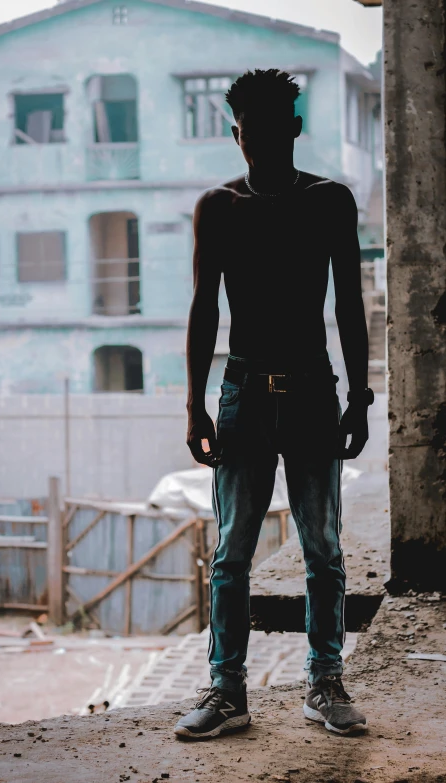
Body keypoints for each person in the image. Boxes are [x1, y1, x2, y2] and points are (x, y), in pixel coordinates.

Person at [174, 68, 374, 740]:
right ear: (238, 133)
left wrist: (361, 396)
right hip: (243, 391)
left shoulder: (329, 202)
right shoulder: (220, 207)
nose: (257, 139)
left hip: (315, 389)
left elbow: (348, 302)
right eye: (246, 128)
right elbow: (204, 309)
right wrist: (195, 406)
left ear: (292, 127)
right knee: (231, 550)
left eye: (269, 126)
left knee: (323, 546)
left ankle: (324, 682)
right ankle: (228, 691)